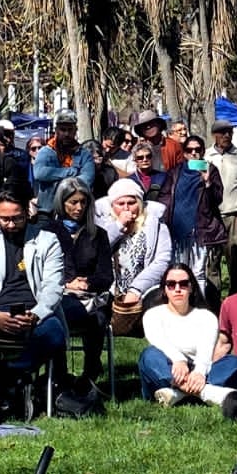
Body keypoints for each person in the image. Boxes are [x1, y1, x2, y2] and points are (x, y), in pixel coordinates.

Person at [0, 191, 67, 403]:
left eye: (17, 218)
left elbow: (53, 286)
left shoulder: (47, 240)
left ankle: (11, 377)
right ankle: (7, 381)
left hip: (34, 310)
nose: (11, 224)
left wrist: (36, 314)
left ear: (27, 213)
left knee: (54, 333)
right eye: (5, 219)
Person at [140, 263, 237, 406]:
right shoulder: (153, 315)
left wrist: (199, 373)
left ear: (191, 288)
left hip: (199, 370)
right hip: (168, 369)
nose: (177, 289)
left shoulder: (206, 317)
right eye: (171, 284)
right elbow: (159, 341)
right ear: (164, 290)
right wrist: (179, 360)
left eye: (183, 284)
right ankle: (206, 393)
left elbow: (206, 352)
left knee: (236, 364)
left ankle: (177, 393)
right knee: (149, 356)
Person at [49, 178, 111, 415]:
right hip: (60, 295)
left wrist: (87, 282)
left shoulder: (99, 235)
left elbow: (106, 274)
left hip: (91, 295)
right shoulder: (48, 232)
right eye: (73, 202)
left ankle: (89, 375)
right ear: (61, 203)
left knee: (97, 318)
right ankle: (60, 378)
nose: (78, 208)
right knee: (58, 314)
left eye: (83, 202)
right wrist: (65, 284)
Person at [95, 177, 171, 333]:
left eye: (131, 202)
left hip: (146, 289)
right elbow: (96, 251)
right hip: (109, 290)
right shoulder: (102, 225)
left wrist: (136, 289)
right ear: (112, 205)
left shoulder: (156, 225)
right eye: (120, 204)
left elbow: (163, 260)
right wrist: (118, 226)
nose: (126, 208)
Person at [159, 135, 225, 294]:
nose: (194, 153)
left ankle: (199, 305)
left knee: (198, 273)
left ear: (203, 151)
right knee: (179, 271)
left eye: (197, 150)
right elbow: (165, 196)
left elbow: (217, 199)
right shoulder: (175, 172)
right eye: (189, 150)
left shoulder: (211, 169)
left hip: (200, 229)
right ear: (184, 153)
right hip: (178, 229)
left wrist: (207, 182)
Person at [206, 120, 237, 288]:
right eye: (222, 132)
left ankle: (236, 297)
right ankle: (213, 300)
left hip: (234, 215)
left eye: (229, 132)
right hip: (213, 216)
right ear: (214, 135)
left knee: (235, 261)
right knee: (212, 262)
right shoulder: (206, 156)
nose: (226, 136)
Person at [32, 110, 95, 215]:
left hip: (76, 212)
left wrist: (57, 182)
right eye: (63, 130)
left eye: (70, 130)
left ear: (75, 131)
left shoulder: (84, 154)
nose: (66, 134)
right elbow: (39, 173)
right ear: (56, 130)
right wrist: (71, 172)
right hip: (47, 211)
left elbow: (86, 180)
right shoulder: (46, 152)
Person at [132, 108, 184, 173]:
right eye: (144, 125)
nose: (148, 127)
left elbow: (181, 170)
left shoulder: (174, 146)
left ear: (159, 125)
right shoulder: (137, 149)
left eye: (151, 123)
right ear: (141, 131)